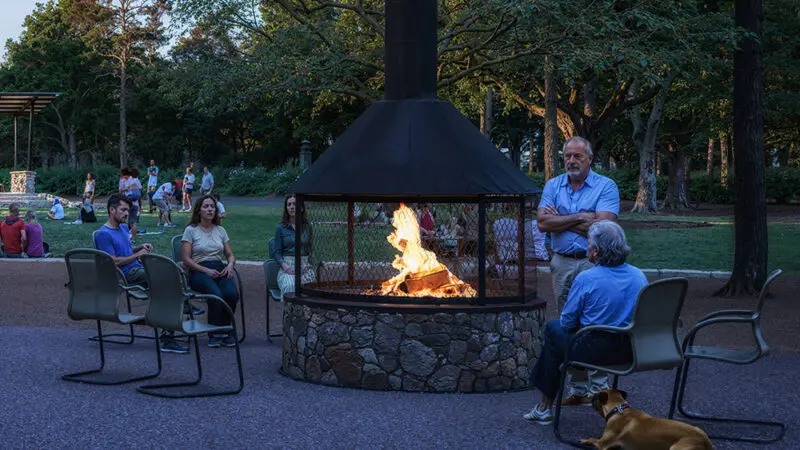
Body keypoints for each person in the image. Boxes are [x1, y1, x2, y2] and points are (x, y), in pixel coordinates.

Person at [523, 221, 647, 424]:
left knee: (553, 331)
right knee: (555, 339)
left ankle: (544, 406)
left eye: (588, 243)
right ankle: (545, 407)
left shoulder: (587, 278)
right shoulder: (638, 276)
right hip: (630, 349)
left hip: (595, 351)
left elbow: (568, 322)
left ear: (596, 250)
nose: (585, 247)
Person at [536, 136, 620, 404]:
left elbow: (602, 229)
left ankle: (600, 387)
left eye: (577, 157)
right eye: (567, 156)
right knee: (568, 322)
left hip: (594, 263)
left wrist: (559, 219)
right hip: (561, 262)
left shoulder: (606, 186)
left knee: (597, 320)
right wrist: (580, 217)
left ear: (590, 159)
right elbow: (541, 224)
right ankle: (578, 388)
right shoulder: (553, 185)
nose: (571, 161)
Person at [95, 194, 188, 354]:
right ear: (111, 210)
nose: (126, 214)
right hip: (126, 275)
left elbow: (125, 251)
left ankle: (178, 309)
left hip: (137, 268)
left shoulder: (123, 228)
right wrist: (137, 255)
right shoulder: (103, 234)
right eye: (123, 210)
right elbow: (113, 262)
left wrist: (139, 248)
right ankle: (169, 332)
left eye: (128, 210)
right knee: (166, 278)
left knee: (174, 271)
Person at [181, 195, 239, 348]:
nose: (210, 209)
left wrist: (230, 265)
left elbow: (230, 255)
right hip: (198, 269)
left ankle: (225, 330)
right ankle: (213, 331)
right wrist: (205, 270)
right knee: (216, 295)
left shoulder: (220, 230)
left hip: (219, 267)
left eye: (212, 206)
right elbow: (186, 259)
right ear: (199, 210)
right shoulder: (191, 230)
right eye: (206, 206)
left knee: (231, 293)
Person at [271, 195, 315, 300]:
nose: (292, 207)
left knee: (310, 289)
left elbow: (313, 249)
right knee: (290, 286)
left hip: (305, 266)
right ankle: (292, 315)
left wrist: (307, 265)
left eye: (295, 204)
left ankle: (309, 316)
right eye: (289, 204)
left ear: (301, 208)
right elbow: (276, 252)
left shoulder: (308, 226)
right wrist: (285, 266)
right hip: (288, 265)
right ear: (286, 208)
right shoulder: (280, 227)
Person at [125, 168, 143, 241]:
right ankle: (131, 237)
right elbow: (141, 188)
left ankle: (133, 239)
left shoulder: (129, 180)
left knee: (132, 222)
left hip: (129, 203)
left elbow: (126, 188)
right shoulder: (137, 180)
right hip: (135, 204)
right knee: (131, 221)